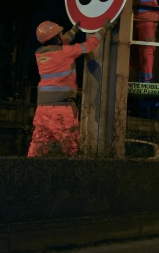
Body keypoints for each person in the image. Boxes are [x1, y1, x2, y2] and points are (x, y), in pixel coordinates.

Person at [27, 18, 115, 157]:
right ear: (56, 39)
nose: (62, 36)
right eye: (60, 35)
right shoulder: (66, 52)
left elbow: (63, 41)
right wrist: (104, 29)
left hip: (42, 110)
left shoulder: (40, 53)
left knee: (38, 147)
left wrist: (74, 30)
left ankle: (26, 173)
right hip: (62, 109)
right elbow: (89, 45)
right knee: (70, 150)